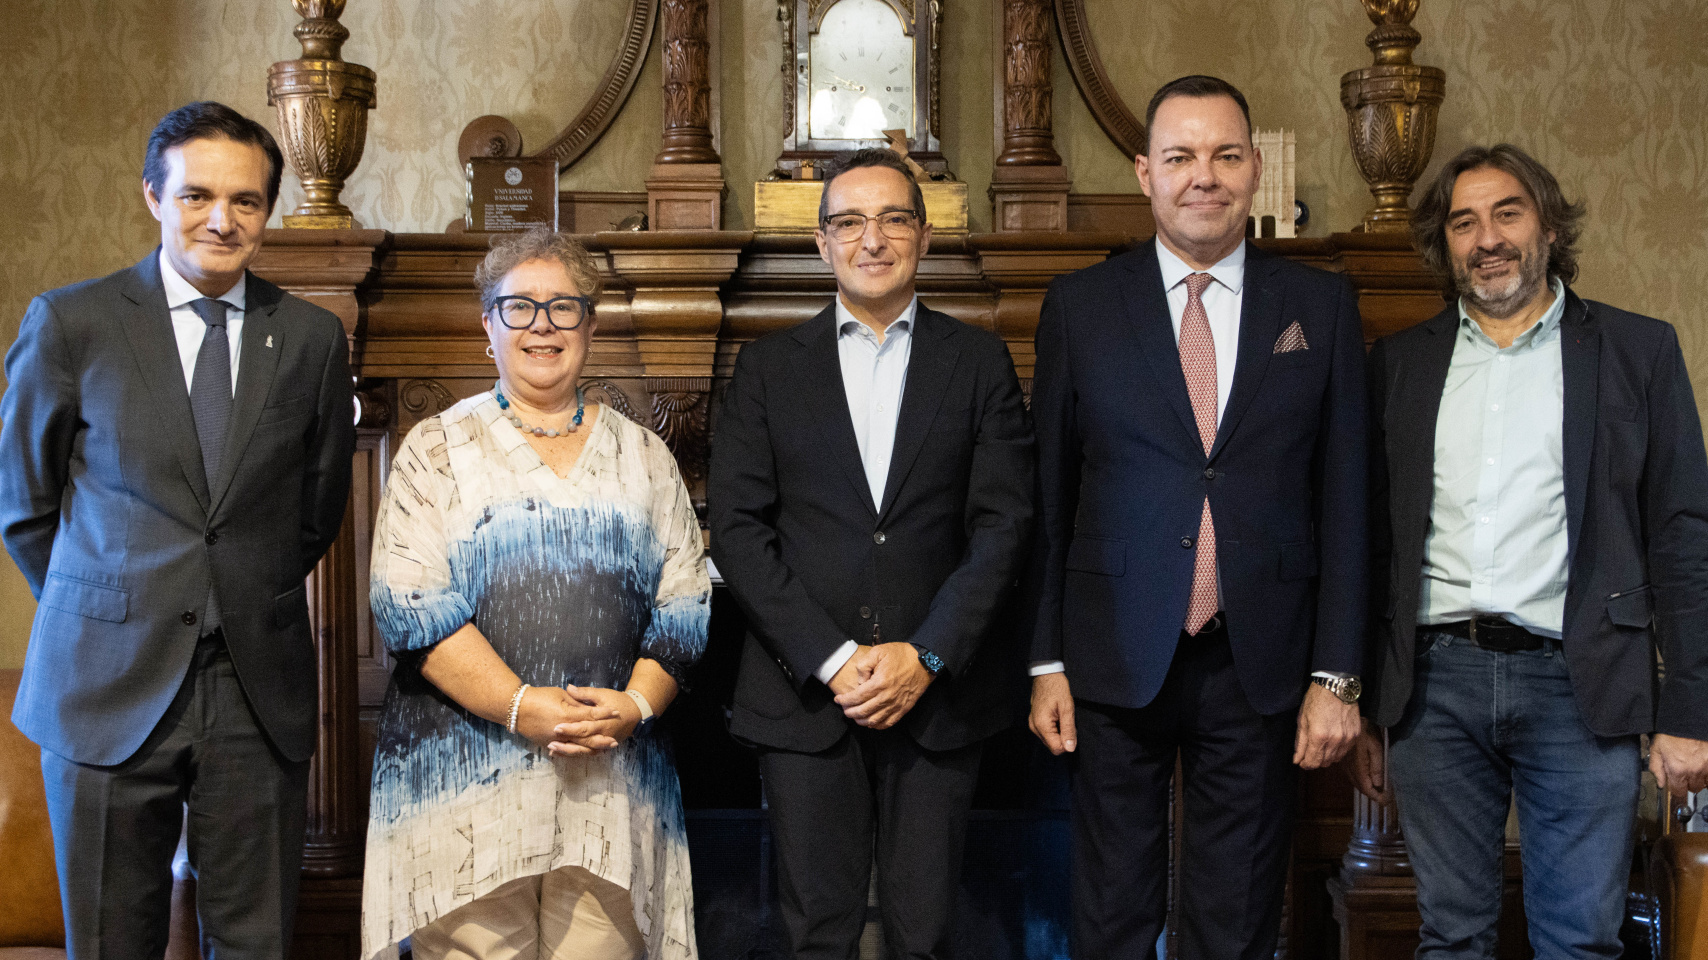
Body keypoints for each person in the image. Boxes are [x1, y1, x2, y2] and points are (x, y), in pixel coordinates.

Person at [0, 101, 355, 957]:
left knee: (253, 941)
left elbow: (316, 511)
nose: (221, 220)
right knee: (110, 939)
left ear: (267, 212)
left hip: (253, 688)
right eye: (197, 195)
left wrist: (224, 592)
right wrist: (114, 608)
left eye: (246, 201)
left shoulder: (308, 338)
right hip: (102, 685)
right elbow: (24, 504)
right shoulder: (72, 323)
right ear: (153, 197)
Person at [1024, 75, 1368, 959]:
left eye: (1224, 156)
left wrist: (1337, 675)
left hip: (1262, 656)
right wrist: (1047, 658)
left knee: (1239, 915)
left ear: (1255, 169)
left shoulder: (1320, 307)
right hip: (1113, 649)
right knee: (1110, 912)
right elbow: (1049, 497)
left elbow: (1348, 498)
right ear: (1145, 173)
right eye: (1179, 157)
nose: (1201, 176)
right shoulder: (1081, 306)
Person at [1352, 143, 1708, 959]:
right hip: (1433, 687)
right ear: (1444, 244)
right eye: (1464, 222)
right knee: (1450, 937)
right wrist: (1369, 698)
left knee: (1580, 941)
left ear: (1548, 223)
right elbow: (1370, 546)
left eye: (1507, 213)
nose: (1488, 238)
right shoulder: (1401, 366)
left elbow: (1684, 539)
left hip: (1582, 687)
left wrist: (1690, 711)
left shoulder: (1636, 353)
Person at [708, 148, 1033, 960]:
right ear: (822, 244)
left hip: (940, 697)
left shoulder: (979, 362)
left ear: (923, 237)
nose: (872, 238)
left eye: (893, 218)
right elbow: (740, 531)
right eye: (849, 221)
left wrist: (926, 653)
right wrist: (832, 656)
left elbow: (1005, 526)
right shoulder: (768, 369)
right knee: (817, 932)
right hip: (806, 698)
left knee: (926, 934)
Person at [360, 227, 709, 960]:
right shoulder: (435, 450)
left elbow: (686, 603)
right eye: (519, 307)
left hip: (610, 788)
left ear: (591, 323)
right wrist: (521, 707)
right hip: (461, 793)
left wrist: (637, 705)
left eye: (563, 307)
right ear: (487, 323)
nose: (542, 325)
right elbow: (409, 605)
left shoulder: (645, 455)